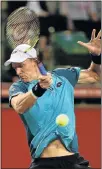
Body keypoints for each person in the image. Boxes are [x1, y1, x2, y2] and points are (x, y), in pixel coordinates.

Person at [4, 29, 101, 169]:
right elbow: (19, 105)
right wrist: (38, 89)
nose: (18, 71)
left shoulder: (62, 76)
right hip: (43, 163)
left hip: (73, 161)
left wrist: (96, 56)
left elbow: (95, 76)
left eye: (21, 65)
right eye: (15, 67)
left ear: (35, 61)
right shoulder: (18, 87)